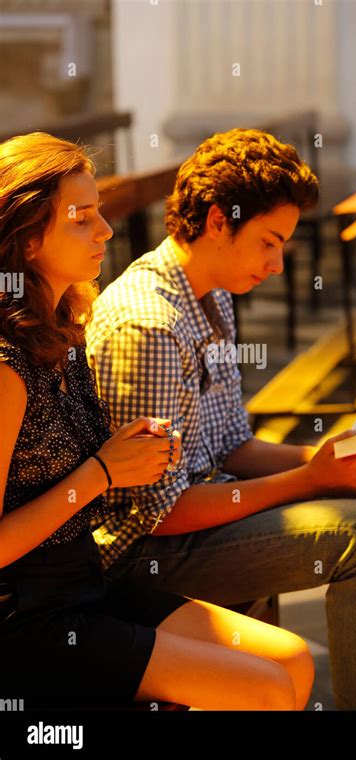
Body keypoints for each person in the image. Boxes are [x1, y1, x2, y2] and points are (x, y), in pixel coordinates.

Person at [86, 128, 356, 711]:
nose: (278, 265)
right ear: (216, 221)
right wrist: (311, 481)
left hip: (207, 509)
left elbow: (232, 442)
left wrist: (332, 458)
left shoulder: (212, 293)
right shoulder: (148, 325)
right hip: (146, 554)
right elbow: (160, 514)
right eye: (268, 242)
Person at [0, 132, 315, 712]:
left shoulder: (63, 331)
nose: (107, 231)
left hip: (87, 585)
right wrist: (102, 471)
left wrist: (130, 450)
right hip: (27, 617)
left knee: (291, 659)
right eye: (82, 219)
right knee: (265, 689)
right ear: (26, 234)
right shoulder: (7, 365)